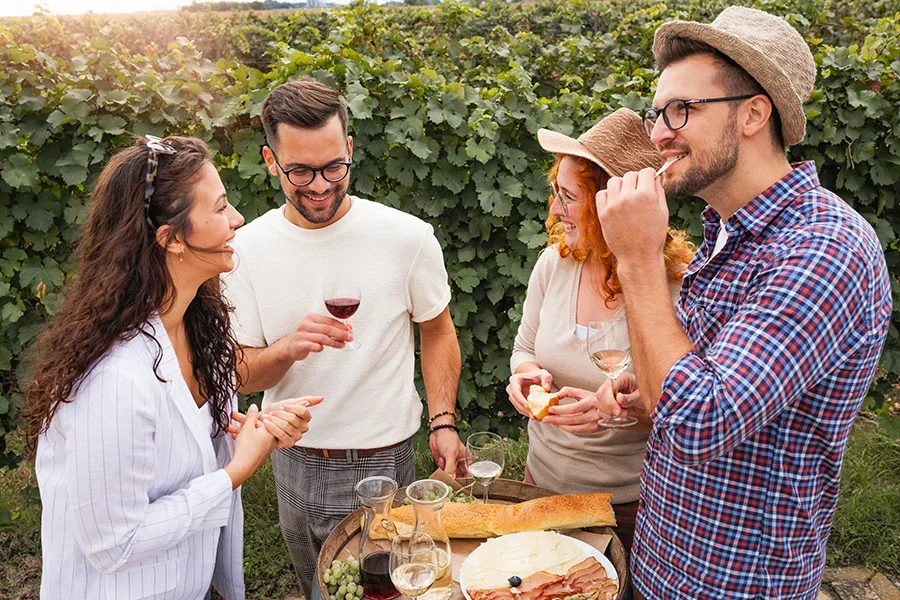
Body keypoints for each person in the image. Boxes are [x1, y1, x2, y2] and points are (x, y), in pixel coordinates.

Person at [592, 7, 892, 599]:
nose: (657, 134)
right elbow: (689, 393)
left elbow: (702, 420)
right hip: (663, 563)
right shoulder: (724, 233)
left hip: (740, 585)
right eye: (657, 113)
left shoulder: (823, 247)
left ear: (754, 113)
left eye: (681, 110)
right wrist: (646, 390)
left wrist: (639, 261)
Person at [25, 136, 318, 599]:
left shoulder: (197, 324)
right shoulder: (113, 378)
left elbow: (184, 455)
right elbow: (113, 545)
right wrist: (235, 472)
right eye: (220, 208)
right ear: (172, 239)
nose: (237, 219)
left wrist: (249, 432)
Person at [221, 78, 464, 599]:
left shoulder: (407, 237)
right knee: (320, 589)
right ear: (270, 160)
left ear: (350, 149)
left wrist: (443, 420)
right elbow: (240, 370)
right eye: (300, 171)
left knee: (396, 587)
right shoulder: (244, 250)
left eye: (334, 167)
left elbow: (438, 332)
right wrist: (288, 347)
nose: (320, 185)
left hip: (385, 455)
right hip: (294, 457)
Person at [506, 108, 695, 553]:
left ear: (607, 202)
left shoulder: (677, 285)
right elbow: (523, 348)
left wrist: (621, 409)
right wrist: (527, 377)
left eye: (569, 197)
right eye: (556, 192)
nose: (555, 210)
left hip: (627, 506)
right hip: (541, 486)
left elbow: (686, 407)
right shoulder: (554, 263)